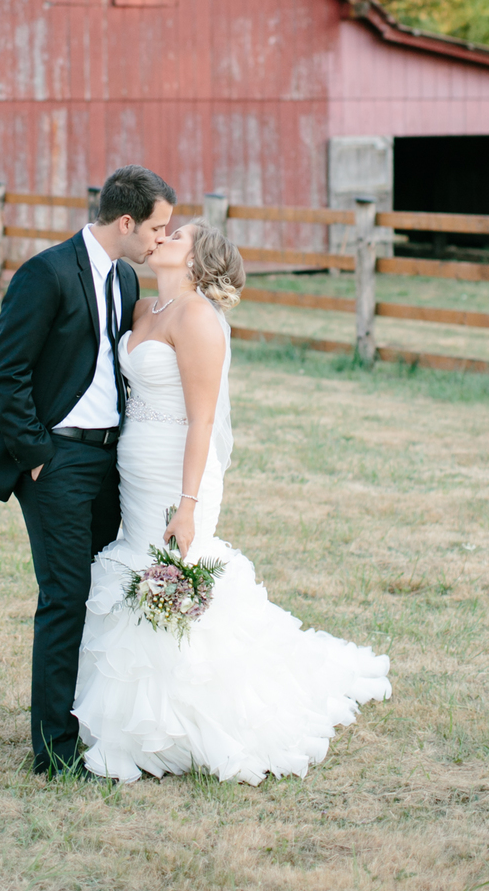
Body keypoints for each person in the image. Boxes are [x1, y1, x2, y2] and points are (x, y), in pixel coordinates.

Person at [73, 221, 391, 783]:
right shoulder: (144, 307)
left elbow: (202, 419)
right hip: (136, 471)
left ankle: (190, 719)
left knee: (174, 573)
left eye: (179, 234)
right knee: (136, 565)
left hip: (180, 474)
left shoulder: (197, 318)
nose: (165, 234)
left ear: (197, 260)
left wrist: (189, 504)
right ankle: (133, 712)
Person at [0, 164, 175, 776]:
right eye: (158, 228)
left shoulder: (128, 279)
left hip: (113, 461)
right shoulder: (47, 273)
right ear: (128, 221)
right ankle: (53, 752)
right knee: (66, 597)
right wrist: (36, 455)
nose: (162, 240)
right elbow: (7, 372)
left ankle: (98, 723)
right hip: (56, 460)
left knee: (109, 590)